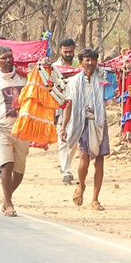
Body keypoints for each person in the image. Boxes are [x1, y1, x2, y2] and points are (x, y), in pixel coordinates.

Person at [0, 44, 29, 216]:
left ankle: (6, 197)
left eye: (10, 57)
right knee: (6, 164)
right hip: (1, 128)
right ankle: (9, 203)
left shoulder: (24, 79)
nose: (8, 61)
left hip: (22, 129)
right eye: (4, 58)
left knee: (19, 171)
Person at [60, 48, 109, 210]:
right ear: (81, 62)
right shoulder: (73, 82)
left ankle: (95, 199)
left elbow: (111, 94)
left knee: (100, 161)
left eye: (93, 60)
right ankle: (81, 186)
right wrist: (64, 126)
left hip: (99, 122)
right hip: (81, 122)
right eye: (87, 60)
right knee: (84, 159)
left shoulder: (103, 79)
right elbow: (69, 104)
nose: (90, 63)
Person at [56, 37, 78, 184]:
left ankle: (66, 164)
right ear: (60, 51)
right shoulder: (54, 67)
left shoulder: (80, 65)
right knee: (63, 139)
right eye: (65, 52)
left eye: (70, 51)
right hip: (61, 106)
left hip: (78, 107)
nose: (68, 54)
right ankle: (67, 170)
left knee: (74, 140)